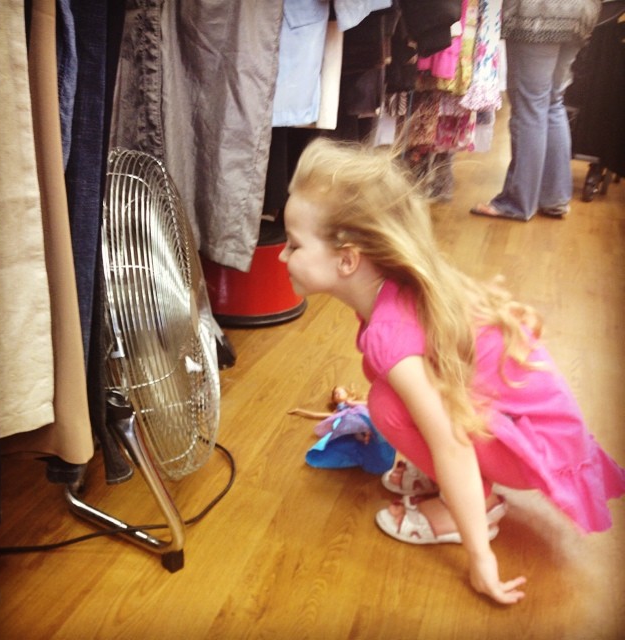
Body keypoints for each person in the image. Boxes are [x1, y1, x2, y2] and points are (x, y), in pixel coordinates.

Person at [278, 137, 625, 605]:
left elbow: (451, 444)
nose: (281, 256)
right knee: (392, 397)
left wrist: (480, 558)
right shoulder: (395, 289)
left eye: (293, 244)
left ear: (347, 259)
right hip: (536, 433)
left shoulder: (389, 331)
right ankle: (460, 487)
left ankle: (473, 506)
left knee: (387, 405)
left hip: (534, 450)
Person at [470, 0, 601, 220]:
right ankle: (554, 199)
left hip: (537, 14)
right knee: (552, 102)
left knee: (530, 106)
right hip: (580, 12)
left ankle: (516, 203)